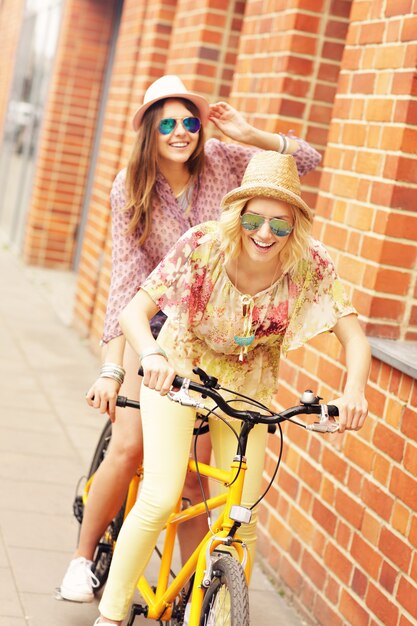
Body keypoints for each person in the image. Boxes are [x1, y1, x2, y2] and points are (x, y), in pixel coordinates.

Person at [59, 75, 322, 602]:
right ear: (150, 133)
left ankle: (190, 596)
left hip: (216, 333)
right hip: (154, 327)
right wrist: (113, 368)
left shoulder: (225, 160)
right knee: (131, 445)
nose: (181, 132)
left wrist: (253, 134)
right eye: (168, 124)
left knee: (197, 478)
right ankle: (83, 560)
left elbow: (309, 160)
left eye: (189, 121)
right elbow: (127, 280)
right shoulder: (129, 187)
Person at [92, 150, 371, 625]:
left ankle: (222, 616)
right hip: (179, 370)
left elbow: (354, 336)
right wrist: (152, 356)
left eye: (280, 225)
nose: (265, 234)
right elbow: (134, 312)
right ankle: (112, 614)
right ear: (238, 214)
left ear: (295, 227)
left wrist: (354, 392)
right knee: (161, 496)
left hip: (248, 388)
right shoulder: (203, 245)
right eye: (256, 220)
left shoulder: (310, 265)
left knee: (243, 515)